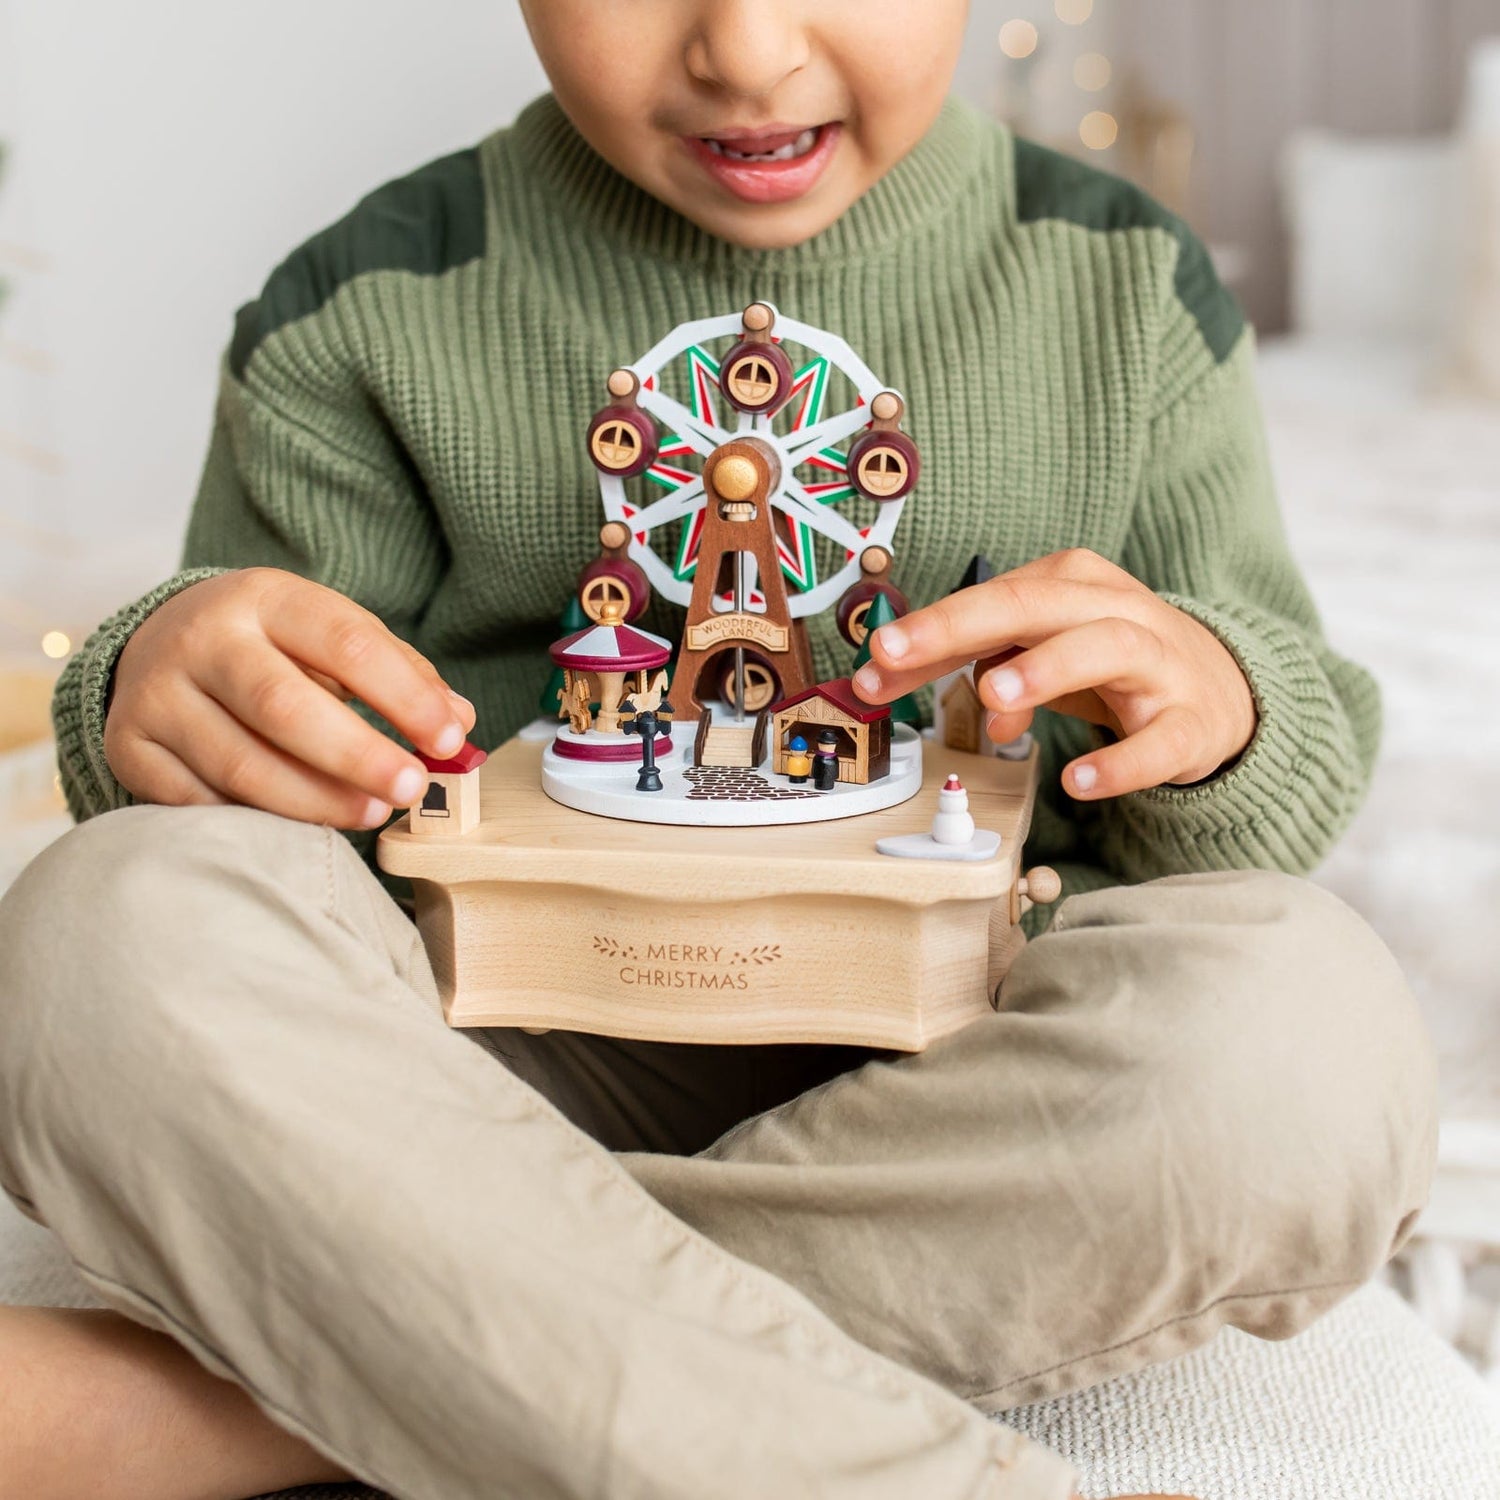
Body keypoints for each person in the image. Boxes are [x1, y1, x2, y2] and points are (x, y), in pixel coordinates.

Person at [0, 2, 1437, 1498]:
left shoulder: (1131, 288)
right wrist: (155, 691)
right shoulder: (357, 307)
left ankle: (296, 1387)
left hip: (967, 1051)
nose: (746, 49)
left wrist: (1217, 707)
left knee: (1310, 1034)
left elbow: (1277, 802)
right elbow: (255, 818)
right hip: (476, 1057)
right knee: (103, 931)